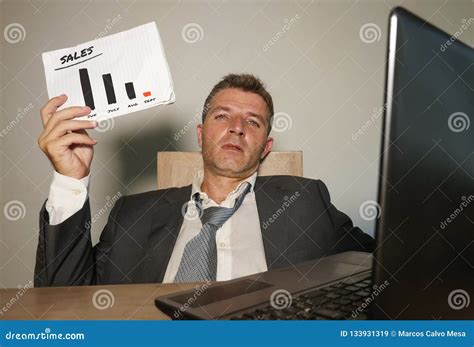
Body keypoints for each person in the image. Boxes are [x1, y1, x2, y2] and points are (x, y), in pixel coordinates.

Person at [34, 73, 374, 287]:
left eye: (253, 122)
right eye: (222, 115)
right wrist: (70, 180)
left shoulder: (305, 201)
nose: (237, 127)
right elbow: (63, 296)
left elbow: (391, 264)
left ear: (266, 147)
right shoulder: (131, 214)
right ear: (200, 134)